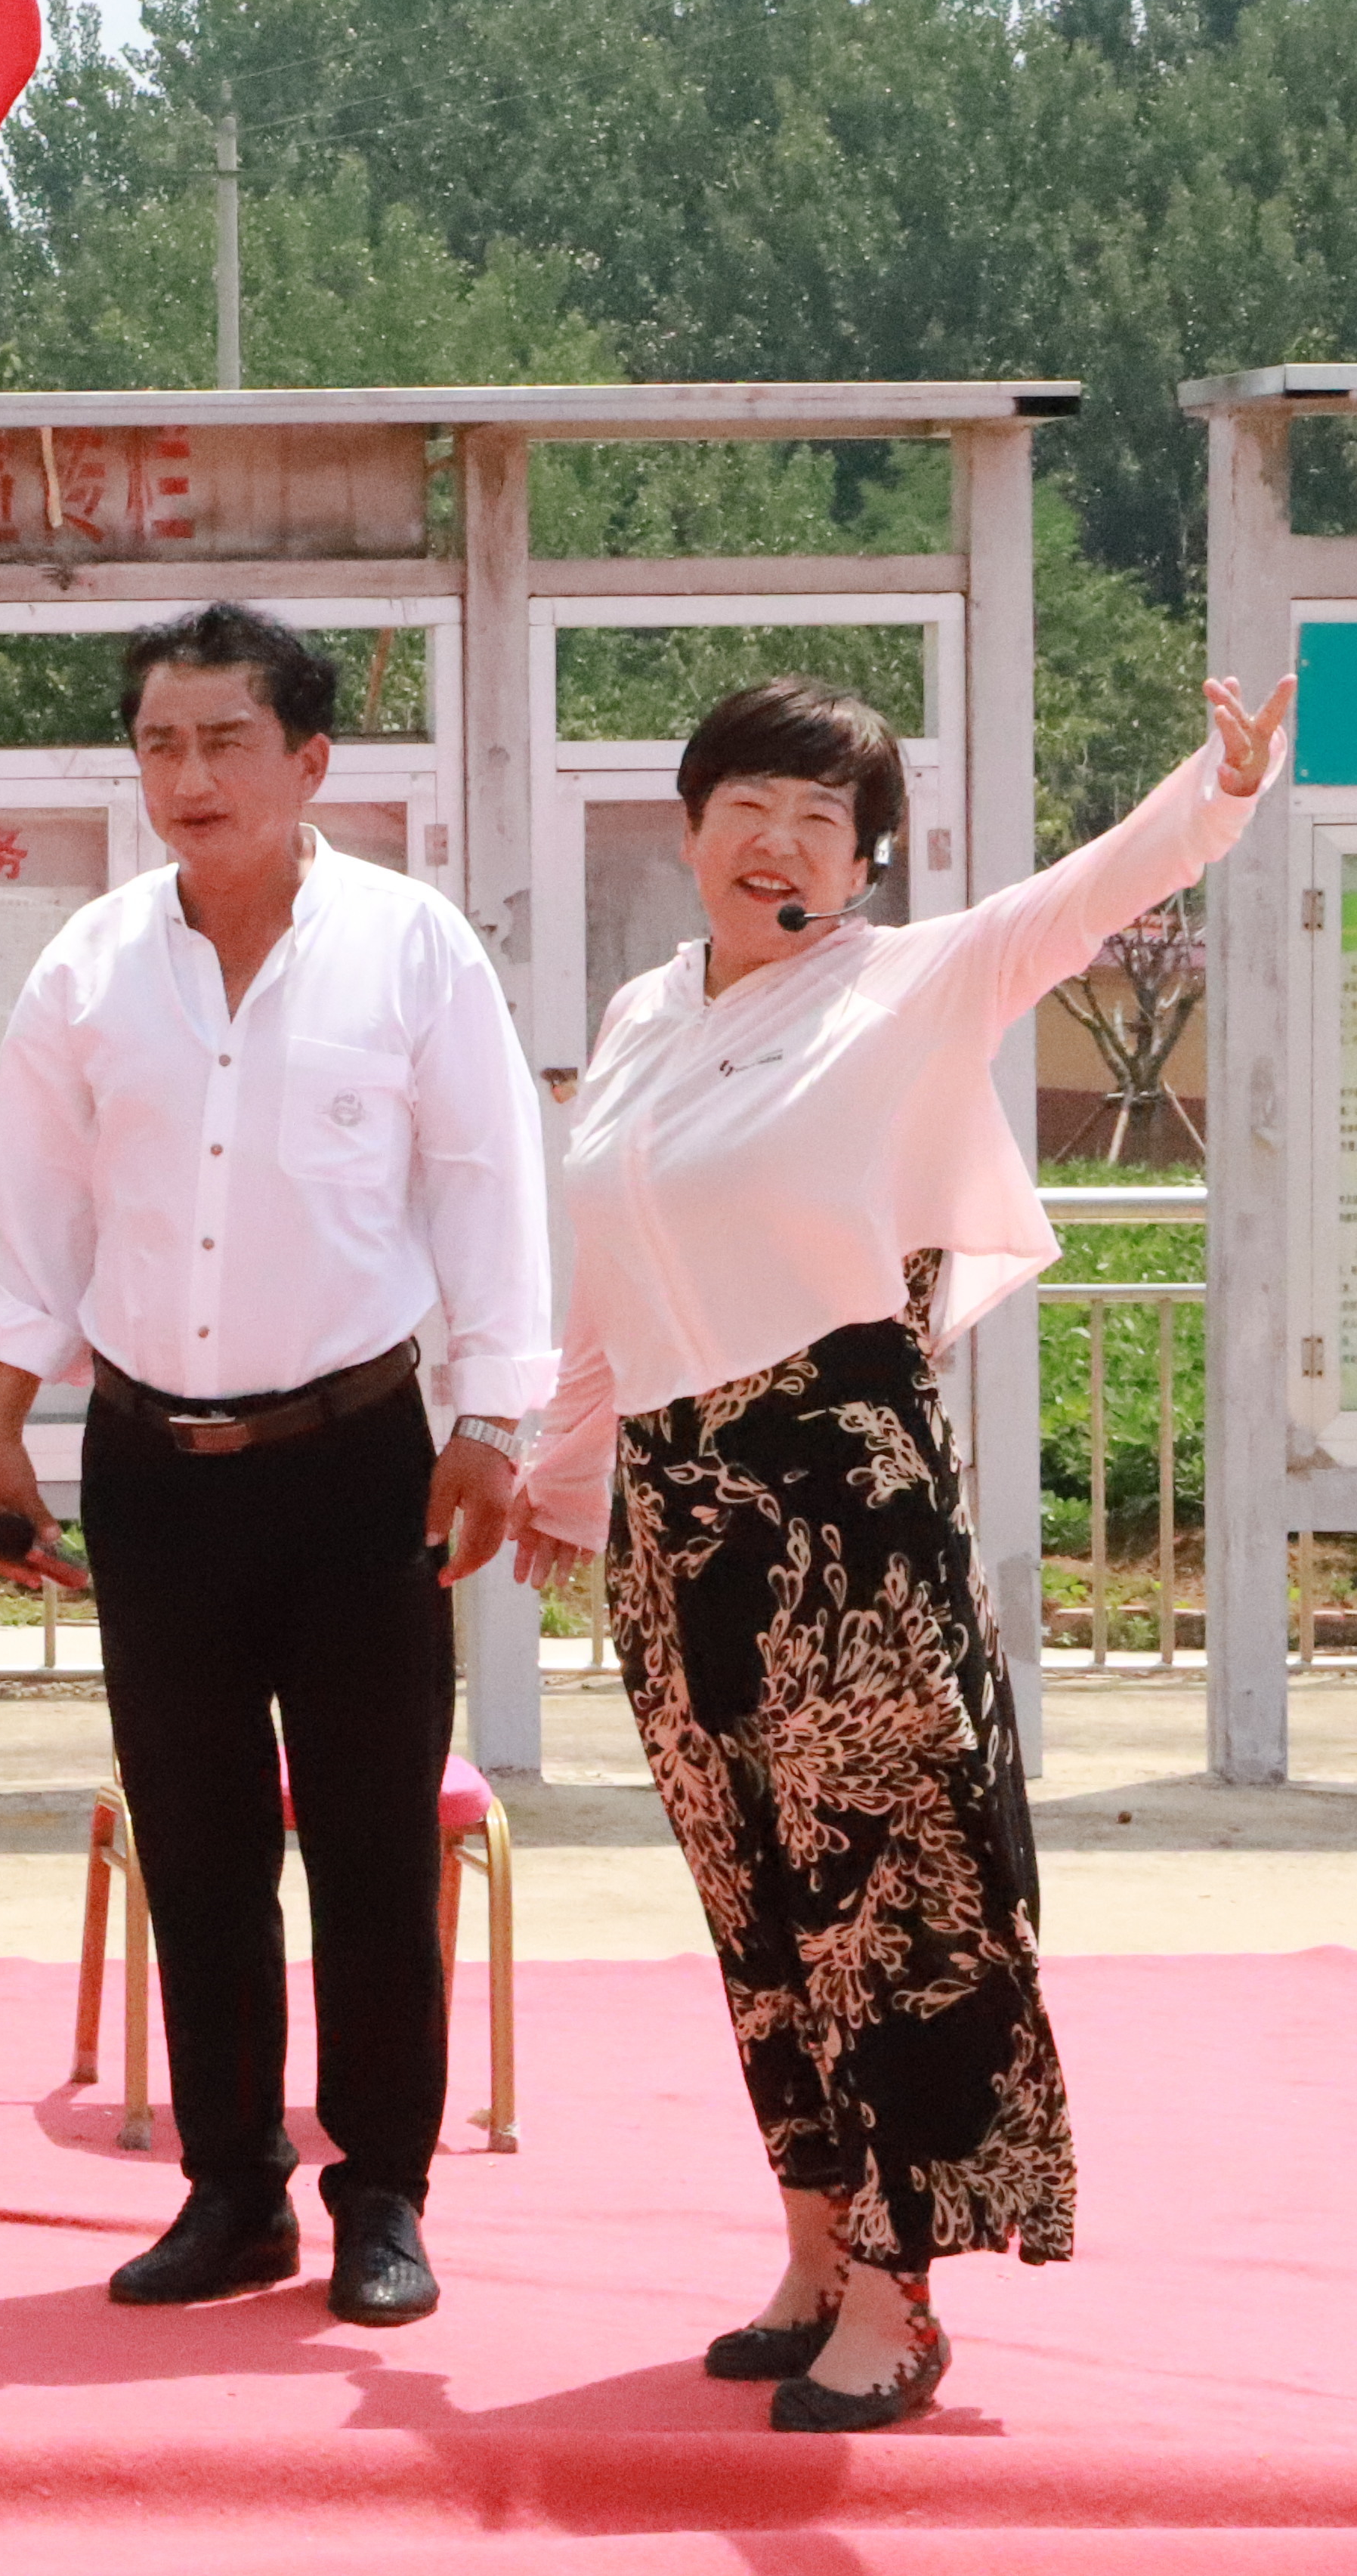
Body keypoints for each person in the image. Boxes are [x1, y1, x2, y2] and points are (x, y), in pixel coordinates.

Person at [512, 669, 1287, 2427]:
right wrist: (559, 1484)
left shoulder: (907, 985)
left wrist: (1216, 791)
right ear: (687, 824)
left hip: (842, 1508)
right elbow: (604, 1281)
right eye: (744, 806)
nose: (773, 843)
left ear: (859, 863)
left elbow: (1078, 895)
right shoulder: (640, 1010)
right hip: (673, 1518)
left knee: (893, 1908)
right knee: (755, 1906)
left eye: (818, 822)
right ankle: (803, 2242)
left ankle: (897, 2287)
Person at [0, 605, 555, 2329]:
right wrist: (3, 1420)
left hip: (360, 1456)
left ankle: (381, 2190)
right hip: (148, 1462)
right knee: (199, 1839)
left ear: (309, 761)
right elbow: (35, 1222)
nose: (188, 776)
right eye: (158, 744)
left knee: (374, 1839)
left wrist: (493, 1419)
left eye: (225, 741)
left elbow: (482, 1182)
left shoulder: (411, 948)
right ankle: (229, 2190)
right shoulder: (81, 968)